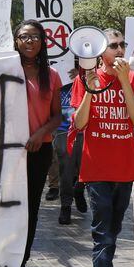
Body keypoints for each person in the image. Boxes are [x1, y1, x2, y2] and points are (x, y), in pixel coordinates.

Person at [72, 28, 134, 267]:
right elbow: (79, 123)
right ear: (100, 51)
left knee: (113, 231)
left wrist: (125, 81)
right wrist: (90, 90)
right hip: (97, 169)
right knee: (103, 234)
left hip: (125, 167)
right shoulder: (86, 79)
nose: (118, 50)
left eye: (121, 44)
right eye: (112, 45)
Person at [10, 20, 63, 267]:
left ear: (43, 42)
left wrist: (40, 133)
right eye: (23, 37)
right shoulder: (5, 68)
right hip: (6, 153)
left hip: (37, 152)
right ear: (15, 41)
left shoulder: (52, 75)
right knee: (5, 208)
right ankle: (3, 264)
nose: (29, 42)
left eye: (34, 37)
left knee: (29, 210)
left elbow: (57, 116)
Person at [54, 65, 87, 225]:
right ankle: (65, 205)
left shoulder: (89, 78)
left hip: (85, 131)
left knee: (85, 168)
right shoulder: (57, 79)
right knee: (66, 170)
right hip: (63, 130)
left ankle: (79, 190)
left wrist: (82, 79)